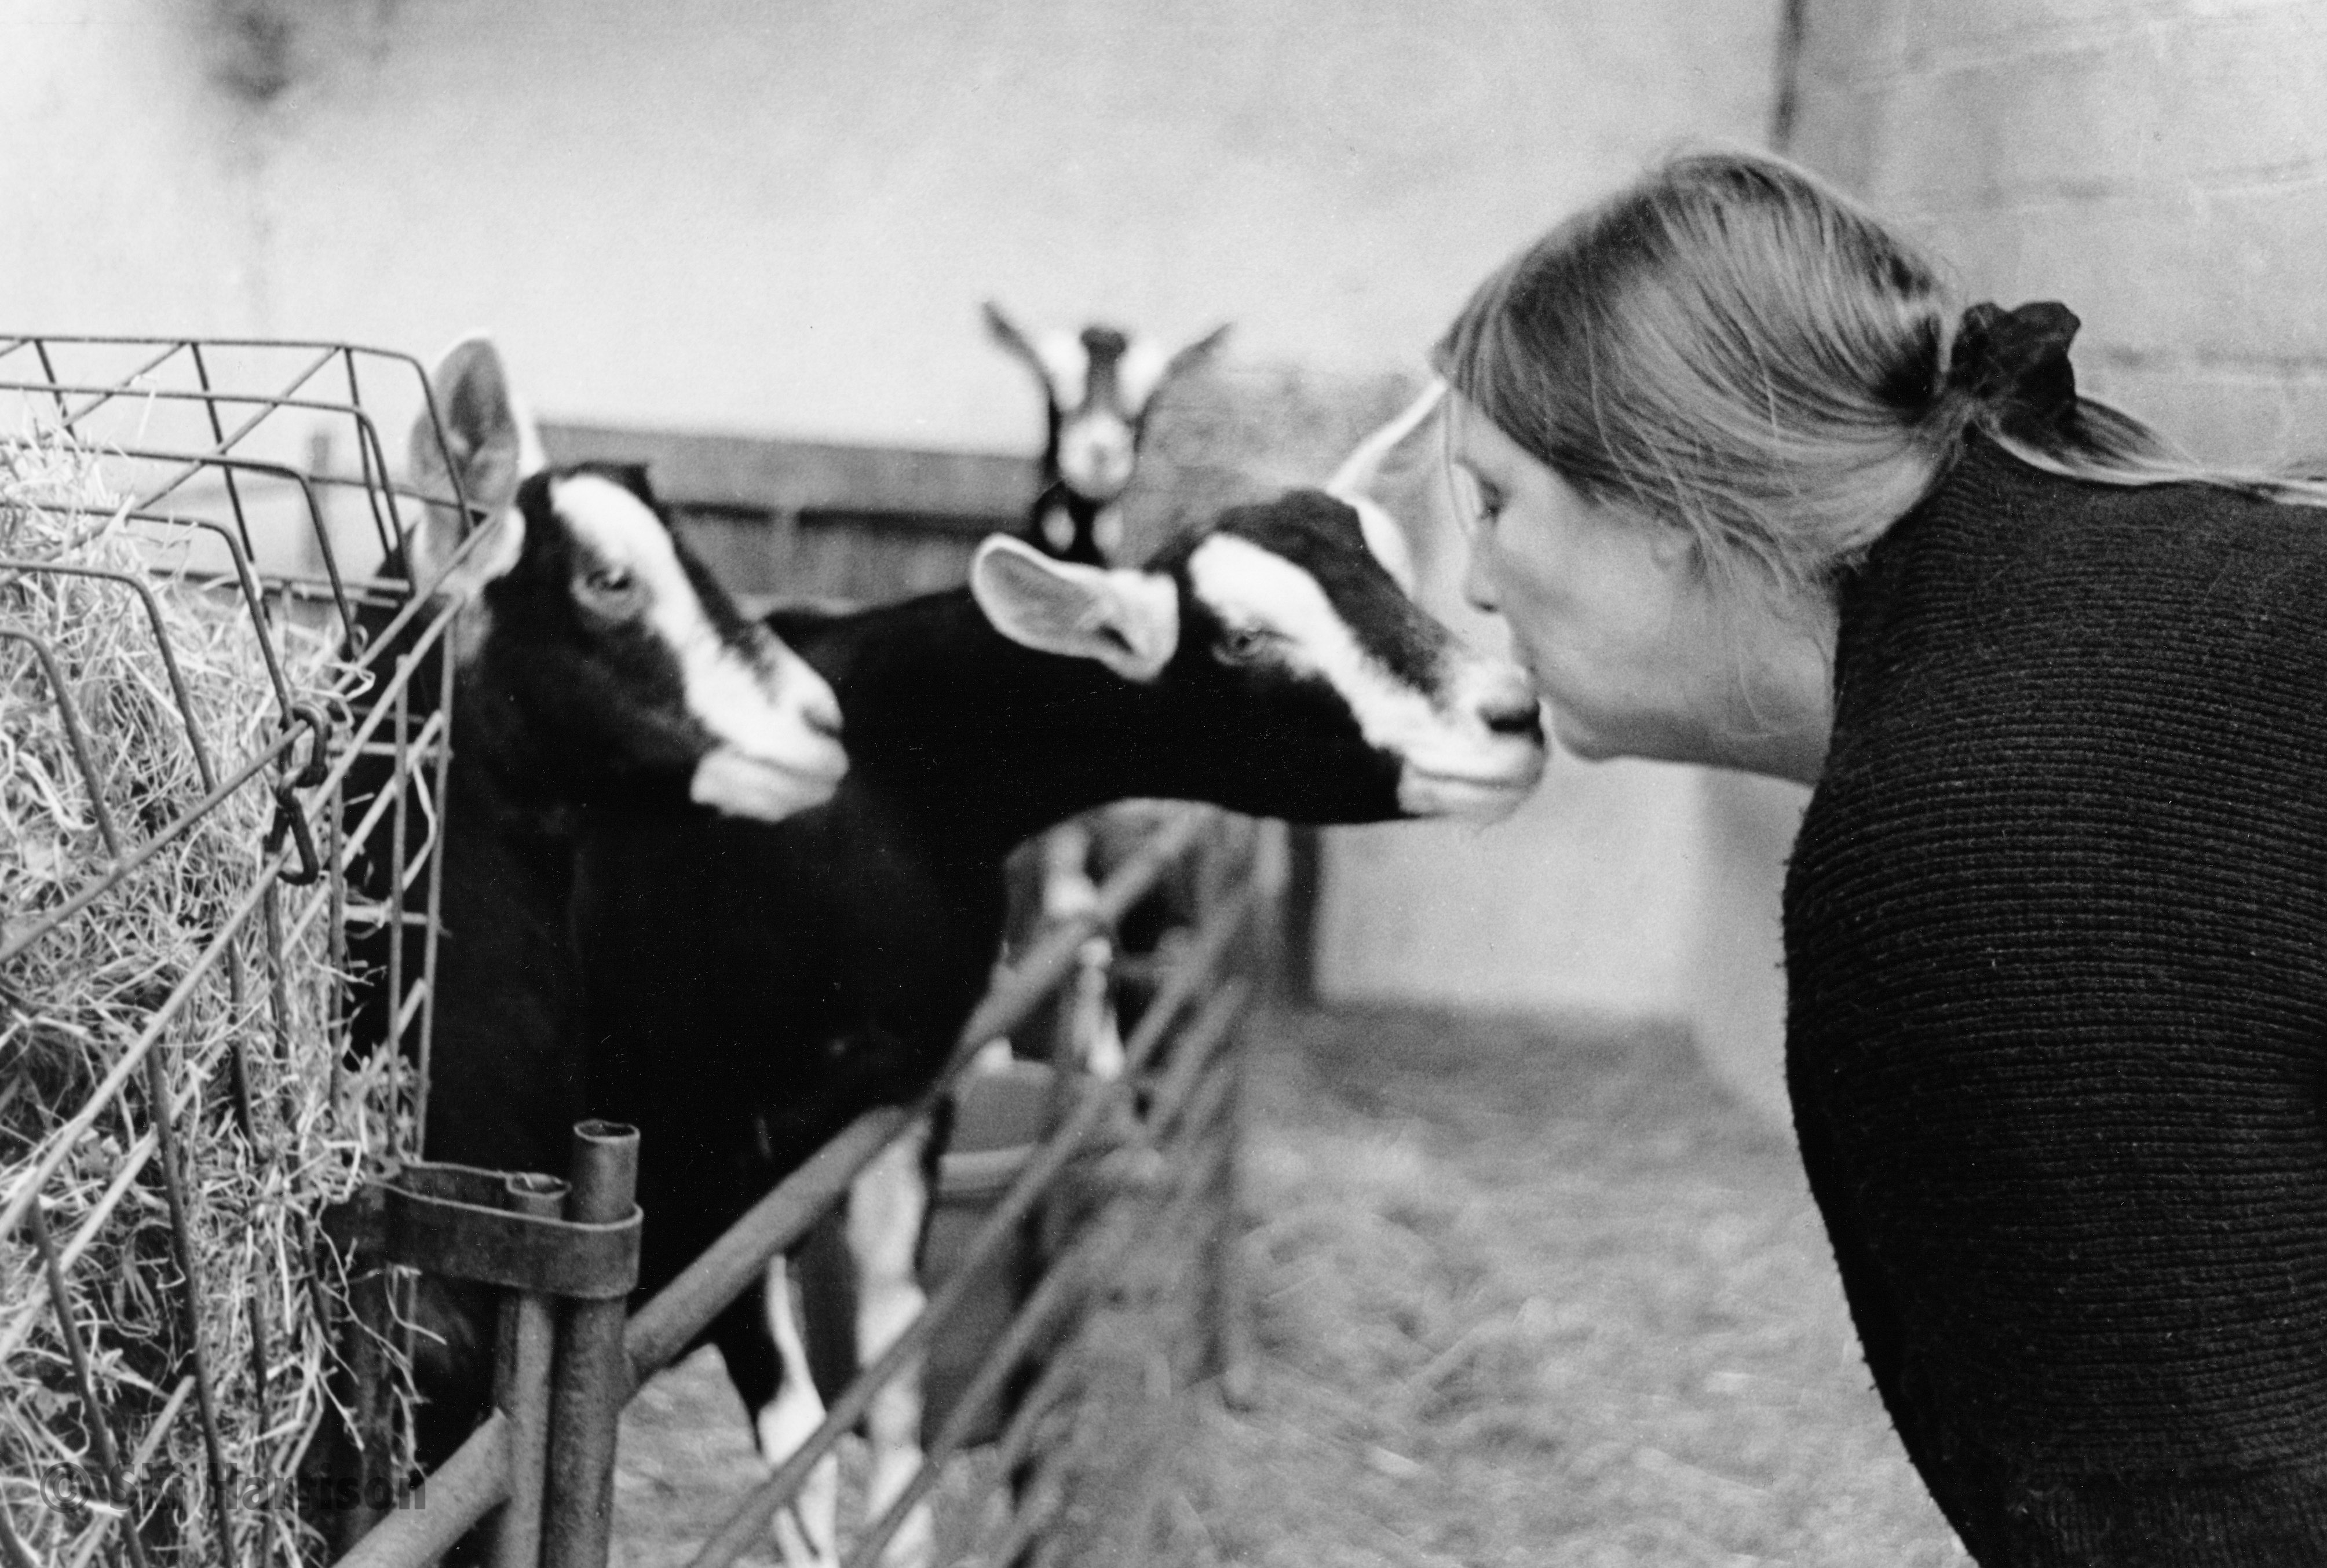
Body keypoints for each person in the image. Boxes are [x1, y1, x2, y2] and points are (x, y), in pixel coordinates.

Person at [1437, 148, 2327, 1566]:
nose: (1476, 581)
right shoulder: (2146, 587)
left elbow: (2213, 1528)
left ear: (1665, 500)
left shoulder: (1973, 842)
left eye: (1491, 500)